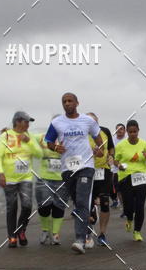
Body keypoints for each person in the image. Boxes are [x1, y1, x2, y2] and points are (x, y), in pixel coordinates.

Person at [44, 93, 103, 254]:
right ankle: (88, 228)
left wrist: (100, 150)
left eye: (70, 101)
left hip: (86, 166)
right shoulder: (56, 122)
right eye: (64, 101)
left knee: (82, 201)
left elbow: (99, 139)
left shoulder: (87, 120)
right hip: (67, 168)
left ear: (77, 103)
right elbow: (49, 142)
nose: (67, 103)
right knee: (78, 204)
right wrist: (55, 147)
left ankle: (80, 240)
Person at [0, 111, 41, 247]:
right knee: (12, 207)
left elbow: (39, 153)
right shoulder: (6, 135)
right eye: (26, 122)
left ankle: (21, 229)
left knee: (27, 206)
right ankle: (12, 237)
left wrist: (29, 142)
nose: (28, 125)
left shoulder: (29, 136)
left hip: (25, 177)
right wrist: (1, 174)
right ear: (18, 122)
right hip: (9, 178)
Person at [113, 119, 146, 240]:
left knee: (140, 206)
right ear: (127, 132)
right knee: (128, 205)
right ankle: (129, 218)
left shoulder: (145, 144)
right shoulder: (121, 145)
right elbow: (115, 160)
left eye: (135, 131)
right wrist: (119, 165)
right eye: (130, 132)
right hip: (125, 177)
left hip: (141, 177)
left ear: (138, 131)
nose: (133, 134)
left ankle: (137, 231)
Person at [32, 130, 66, 245]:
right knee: (44, 206)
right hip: (44, 177)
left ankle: (55, 234)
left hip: (62, 178)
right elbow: (25, 137)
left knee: (59, 206)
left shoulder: (68, 138)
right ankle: (45, 230)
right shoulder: (42, 137)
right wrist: (8, 133)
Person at [87, 112, 114, 246]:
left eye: (94, 122)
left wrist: (111, 156)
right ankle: (88, 230)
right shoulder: (81, 134)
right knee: (87, 203)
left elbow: (111, 148)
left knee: (104, 202)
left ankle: (102, 233)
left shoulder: (105, 131)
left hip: (103, 170)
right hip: (87, 171)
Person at [112, 123, 126, 211]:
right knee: (118, 190)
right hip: (116, 168)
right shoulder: (112, 140)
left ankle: (129, 205)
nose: (119, 131)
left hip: (126, 168)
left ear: (125, 131)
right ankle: (123, 206)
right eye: (117, 129)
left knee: (127, 189)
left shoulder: (127, 140)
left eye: (121, 129)